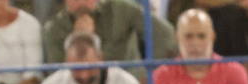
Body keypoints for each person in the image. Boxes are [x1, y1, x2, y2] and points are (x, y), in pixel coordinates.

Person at [153, 8, 248, 84]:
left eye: (202, 36)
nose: (195, 43)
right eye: (188, 36)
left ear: (212, 37)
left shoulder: (235, 73)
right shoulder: (160, 76)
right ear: (177, 38)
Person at [43, 0, 175, 69]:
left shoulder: (121, 9)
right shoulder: (53, 29)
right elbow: (57, 76)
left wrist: (151, 72)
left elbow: (165, 34)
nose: (81, 2)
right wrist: (80, 40)